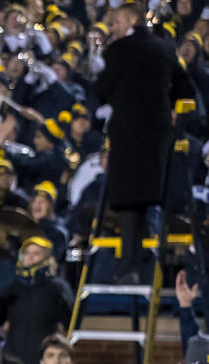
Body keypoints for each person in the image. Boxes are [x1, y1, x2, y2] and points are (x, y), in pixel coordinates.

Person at [93, 3, 194, 282]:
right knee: (150, 198)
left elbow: (101, 89)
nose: (111, 29)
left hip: (128, 136)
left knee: (128, 201)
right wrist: (173, 109)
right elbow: (186, 89)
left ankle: (132, 262)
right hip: (159, 136)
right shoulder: (164, 48)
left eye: (115, 22)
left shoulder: (119, 50)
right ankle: (143, 263)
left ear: (130, 20)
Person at [0, 236, 74, 364]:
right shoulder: (14, 286)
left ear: (47, 259)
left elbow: (71, 323)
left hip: (43, 363)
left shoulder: (56, 287)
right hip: (12, 361)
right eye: (26, 253)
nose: (30, 257)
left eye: (36, 253)